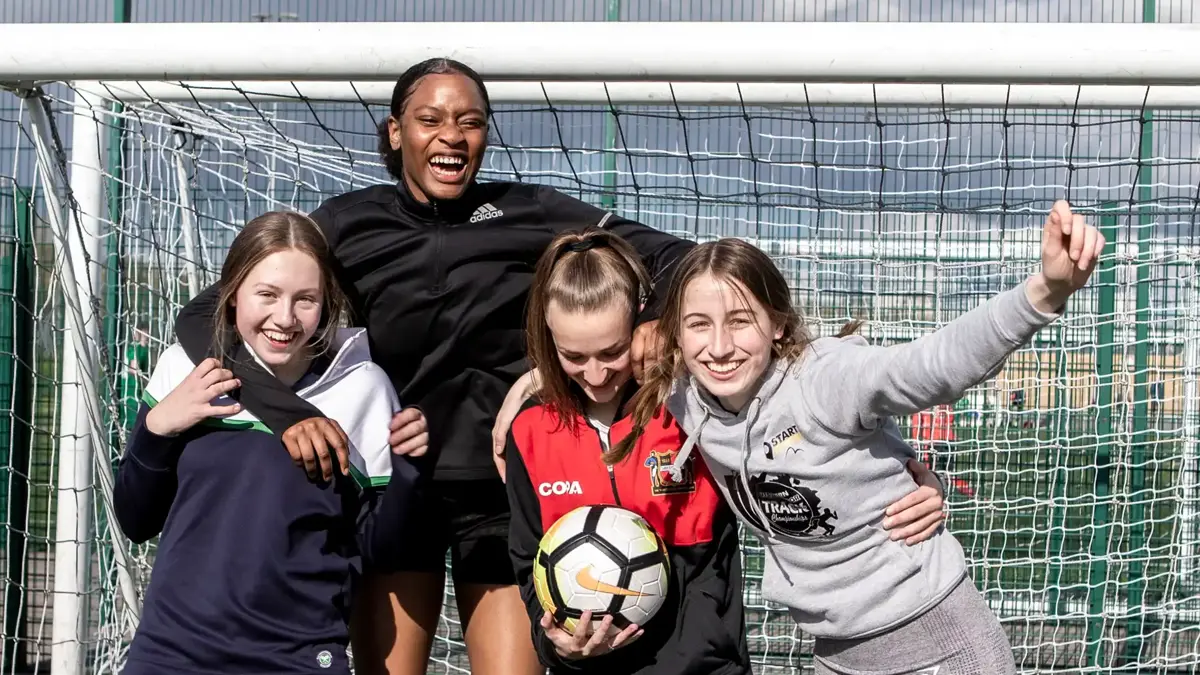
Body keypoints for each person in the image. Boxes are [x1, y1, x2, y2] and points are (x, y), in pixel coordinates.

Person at [170, 58, 695, 675]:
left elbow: (680, 257)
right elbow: (205, 315)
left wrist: (653, 321)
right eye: (431, 119)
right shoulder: (344, 225)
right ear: (396, 132)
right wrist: (289, 415)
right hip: (390, 488)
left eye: (470, 122)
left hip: (498, 489)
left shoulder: (529, 213)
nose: (452, 135)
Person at [619, 200, 1104, 674]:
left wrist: (1044, 293)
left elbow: (933, 364)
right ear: (676, 336)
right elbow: (576, 355)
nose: (720, 347)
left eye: (741, 321)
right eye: (699, 325)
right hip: (835, 654)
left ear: (778, 326)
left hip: (939, 642)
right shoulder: (683, 396)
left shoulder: (823, 381)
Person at [497, 229, 950, 674]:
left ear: (639, 323)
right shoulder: (530, 431)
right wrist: (561, 647)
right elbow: (528, 562)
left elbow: (813, 428)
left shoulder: (693, 404)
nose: (595, 374)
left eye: (612, 351)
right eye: (573, 356)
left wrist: (914, 479)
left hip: (706, 664)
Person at [113, 211, 421, 674]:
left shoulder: (363, 387)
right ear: (233, 293)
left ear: (327, 303)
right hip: (171, 654)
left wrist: (409, 474)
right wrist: (159, 428)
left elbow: (381, 553)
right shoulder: (186, 368)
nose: (285, 317)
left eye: (306, 300)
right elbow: (135, 520)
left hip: (296, 658)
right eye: (267, 294)